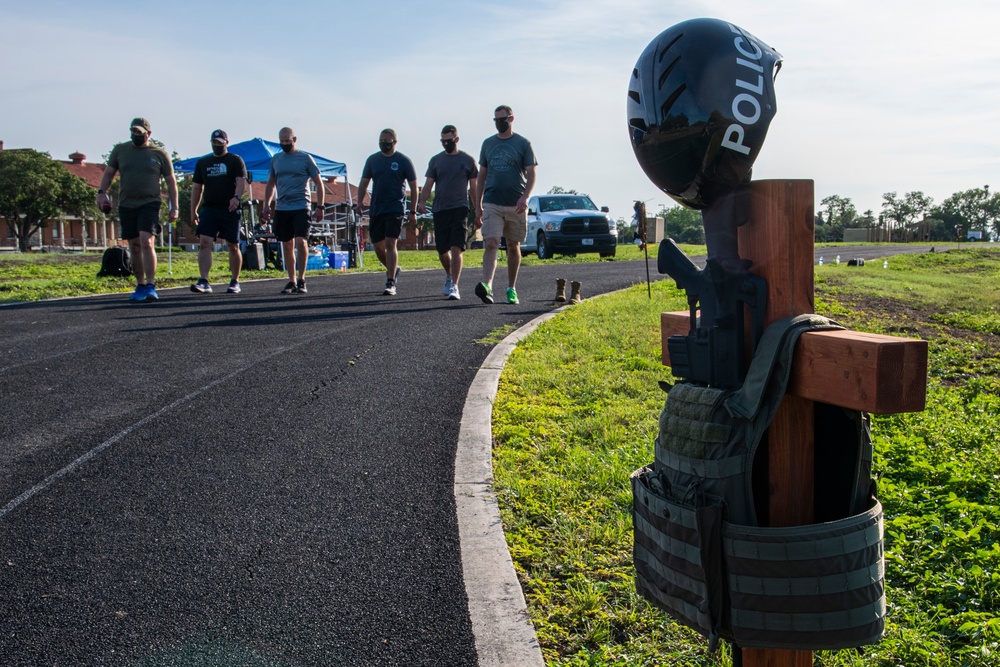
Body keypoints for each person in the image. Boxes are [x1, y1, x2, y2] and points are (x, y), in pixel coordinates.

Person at [96, 117, 178, 302]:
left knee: (146, 241)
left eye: (140, 133)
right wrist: (102, 193)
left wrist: (175, 207)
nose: (136, 136)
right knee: (133, 245)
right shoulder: (120, 150)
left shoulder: (159, 154)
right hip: (126, 204)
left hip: (150, 203)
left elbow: (171, 182)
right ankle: (140, 284)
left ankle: (150, 285)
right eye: (133, 132)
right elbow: (109, 173)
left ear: (148, 134)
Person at [474, 105, 537, 305]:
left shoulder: (523, 143)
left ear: (511, 119)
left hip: (515, 203)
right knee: (491, 242)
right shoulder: (488, 144)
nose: (499, 123)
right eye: (496, 120)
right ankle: (487, 285)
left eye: (503, 119)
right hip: (492, 201)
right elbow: (481, 175)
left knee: (512, 245)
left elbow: (531, 173)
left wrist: (525, 197)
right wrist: (478, 205)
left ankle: (511, 288)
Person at [417, 125, 478, 300]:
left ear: (456, 139)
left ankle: (455, 285)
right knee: (442, 249)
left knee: (456, 246)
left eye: (449, 141)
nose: (446, 144)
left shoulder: (468, 160)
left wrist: (478, 209)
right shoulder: (436, 161)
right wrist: (422, 202)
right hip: (440, 209)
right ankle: (449, 275)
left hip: (460, 208)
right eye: (443, 141)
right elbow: (428, 184)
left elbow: (473, 188)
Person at [261, 127, 324, 294]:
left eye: (287, 141)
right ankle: (291, 280)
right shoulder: (276, 159)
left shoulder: (305, 158)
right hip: (282, 207)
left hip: (301, 206)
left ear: (294, 140)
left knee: (301, 241)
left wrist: (320, 207)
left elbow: (319, 183)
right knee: (287, 244)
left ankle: (302, 279)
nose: (284, 144)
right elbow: (271, 184)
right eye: (282, 141)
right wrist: (266, 205)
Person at [356, 129, 418, 296]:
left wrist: (412, 210)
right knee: (377, 246)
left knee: (391, 243)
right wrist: (360, 202)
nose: (384, 143)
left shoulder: (404, 161)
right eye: (381, 140)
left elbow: (413, 186)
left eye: (387, 140)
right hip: (377, 208)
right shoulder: (373, 160)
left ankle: (390, 281)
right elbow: (363, 182)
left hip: (396, 208)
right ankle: (393, 268)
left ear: (394, 142)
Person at [189, 129, 248, 294]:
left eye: (220, 143)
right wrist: (193, 210)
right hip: (210, 208)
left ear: (226, 143)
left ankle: (235, 280)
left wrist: (236, 197)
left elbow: (241, 181)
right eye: (214, 143)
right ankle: (204, 280)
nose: (217, 146)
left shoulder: (235, 160)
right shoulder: (203, 163)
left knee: (232, 245)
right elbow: (196, 188)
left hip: (229, 209)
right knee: (204, 242)